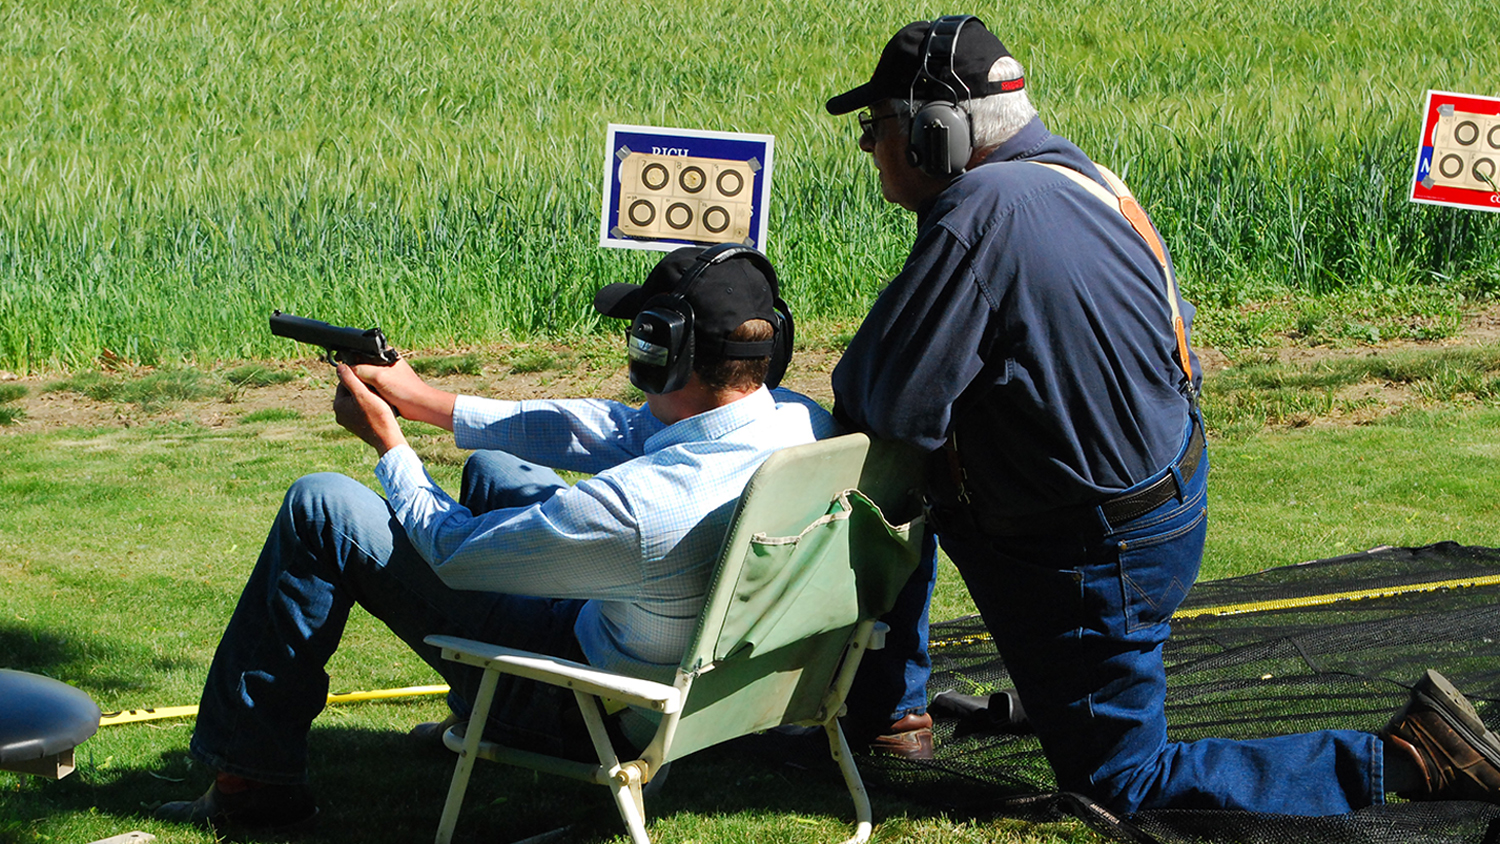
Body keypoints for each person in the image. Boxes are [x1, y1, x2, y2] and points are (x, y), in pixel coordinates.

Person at [825, 15, 1500, 816]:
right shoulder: (1087, 180)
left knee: (1118, 784)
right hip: (1158, 508)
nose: (871, 146)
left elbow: (880, 406)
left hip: (1092, 553)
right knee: (922, 483)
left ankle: (1408, 761)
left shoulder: (981, 210)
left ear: (934, 132)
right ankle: (906, 714)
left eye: (878, 127)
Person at [154, 244, 835, 830]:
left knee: (323, 505)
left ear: (667, 351)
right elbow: (613, 429)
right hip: (693, 681)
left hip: (581, 709)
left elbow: (452, 553)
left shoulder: (641, 510)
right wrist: (429, 404)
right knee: (494, 467)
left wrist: (391, 443)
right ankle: (462, 722)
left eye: (640, 339)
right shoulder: (799, 424)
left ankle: (251, 784)